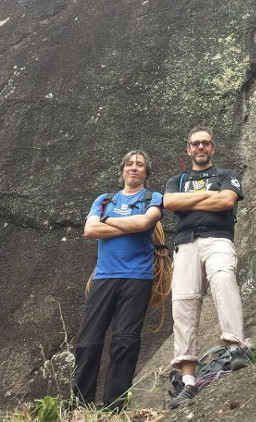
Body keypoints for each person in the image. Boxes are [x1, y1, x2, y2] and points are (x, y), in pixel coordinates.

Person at [163, 127, 250, 409]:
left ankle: (236, 348)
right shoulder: (177, 179)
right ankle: (188, 379)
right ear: (188, 150)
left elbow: (227, 200)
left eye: (205, 143)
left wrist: (192, 202)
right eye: (195, 144)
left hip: (218, 238)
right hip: (185, 243)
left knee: (224, 280)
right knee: (183, 303)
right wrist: (209, 197)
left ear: (212, 148)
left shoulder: (226, 175)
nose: (200, 147)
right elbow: (170, 202)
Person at [72, 150, 163, 411]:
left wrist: (109, 222)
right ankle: (80, 404)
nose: (134, 168)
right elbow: (90, 229)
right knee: (88, 340)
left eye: (140, 165)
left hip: (137, 277)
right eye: (130, 164)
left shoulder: (153, 197)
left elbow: (146, 223)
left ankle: (114, 406)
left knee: (125, 340)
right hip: (104, 276)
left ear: (146, 172)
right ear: (122, 169)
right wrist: (128, 223)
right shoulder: (104, 199)